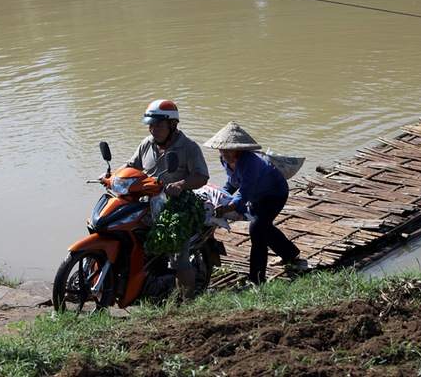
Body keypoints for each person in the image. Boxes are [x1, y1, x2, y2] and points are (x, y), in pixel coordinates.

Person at [123, 99, 209, 301]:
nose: (153, 130)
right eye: (150, 126)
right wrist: (112, 176)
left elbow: (201, 176)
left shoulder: (189, 147)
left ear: (173, 124)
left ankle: (188, 304)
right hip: (147, 204)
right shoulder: (147, 144)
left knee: (178, 257)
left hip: (176, 207)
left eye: (158, 126)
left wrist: (181, 184)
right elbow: (130, 166)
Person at [203, 121, 300, 285]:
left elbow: (243, 194)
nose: (224, 153)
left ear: (238, 149)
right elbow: (233, 182)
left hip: (274, 194)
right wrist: (219, 195)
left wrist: (226, 207)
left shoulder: (249, 162)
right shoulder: (224, 159)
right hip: (257, 195)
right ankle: (290, 253)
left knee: (257, 229)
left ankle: (256, 278)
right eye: (221, 149)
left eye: (228, 149)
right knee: (264, 226)